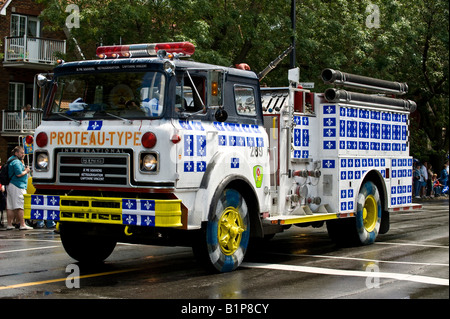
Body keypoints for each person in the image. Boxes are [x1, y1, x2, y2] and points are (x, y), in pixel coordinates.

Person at [5, 146, 32, 230]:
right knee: (20, 205)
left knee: (10, 206)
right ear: (16, 153)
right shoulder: (16, 162)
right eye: (22, 153)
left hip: (10, 185)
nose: (23, 154)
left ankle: (9, 224)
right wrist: (26, 171)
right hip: (17, 185)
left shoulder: (10, 159)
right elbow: (19, 174)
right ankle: (22, 224)